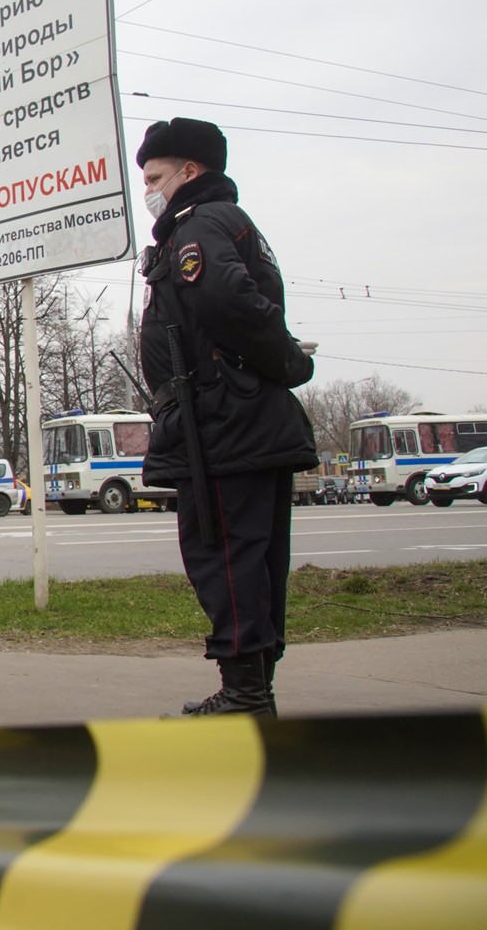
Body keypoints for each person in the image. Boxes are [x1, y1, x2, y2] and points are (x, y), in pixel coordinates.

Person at [135, 117, 317, 716]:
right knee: (254, 558)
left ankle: (245, 693)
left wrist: (285, 360)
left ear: (190, 171)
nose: (149, 190)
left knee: (224, 555)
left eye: (156, 177)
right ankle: (251, 687)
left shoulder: (201, 224)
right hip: (238, 419)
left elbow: (225, 298)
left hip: (222, 422)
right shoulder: (221, 223)